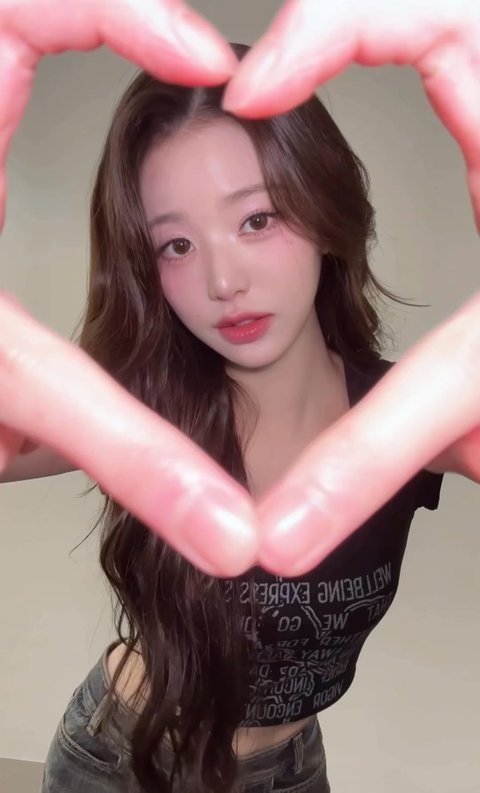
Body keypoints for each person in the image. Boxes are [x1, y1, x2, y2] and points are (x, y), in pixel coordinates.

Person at [0, 2, 479, 793]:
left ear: (324, 212)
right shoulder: (141, 412)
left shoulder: (415, 418)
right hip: (118, 757)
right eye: (176, 244)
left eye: (257, 218)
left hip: (285, 769)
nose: (223, 281)